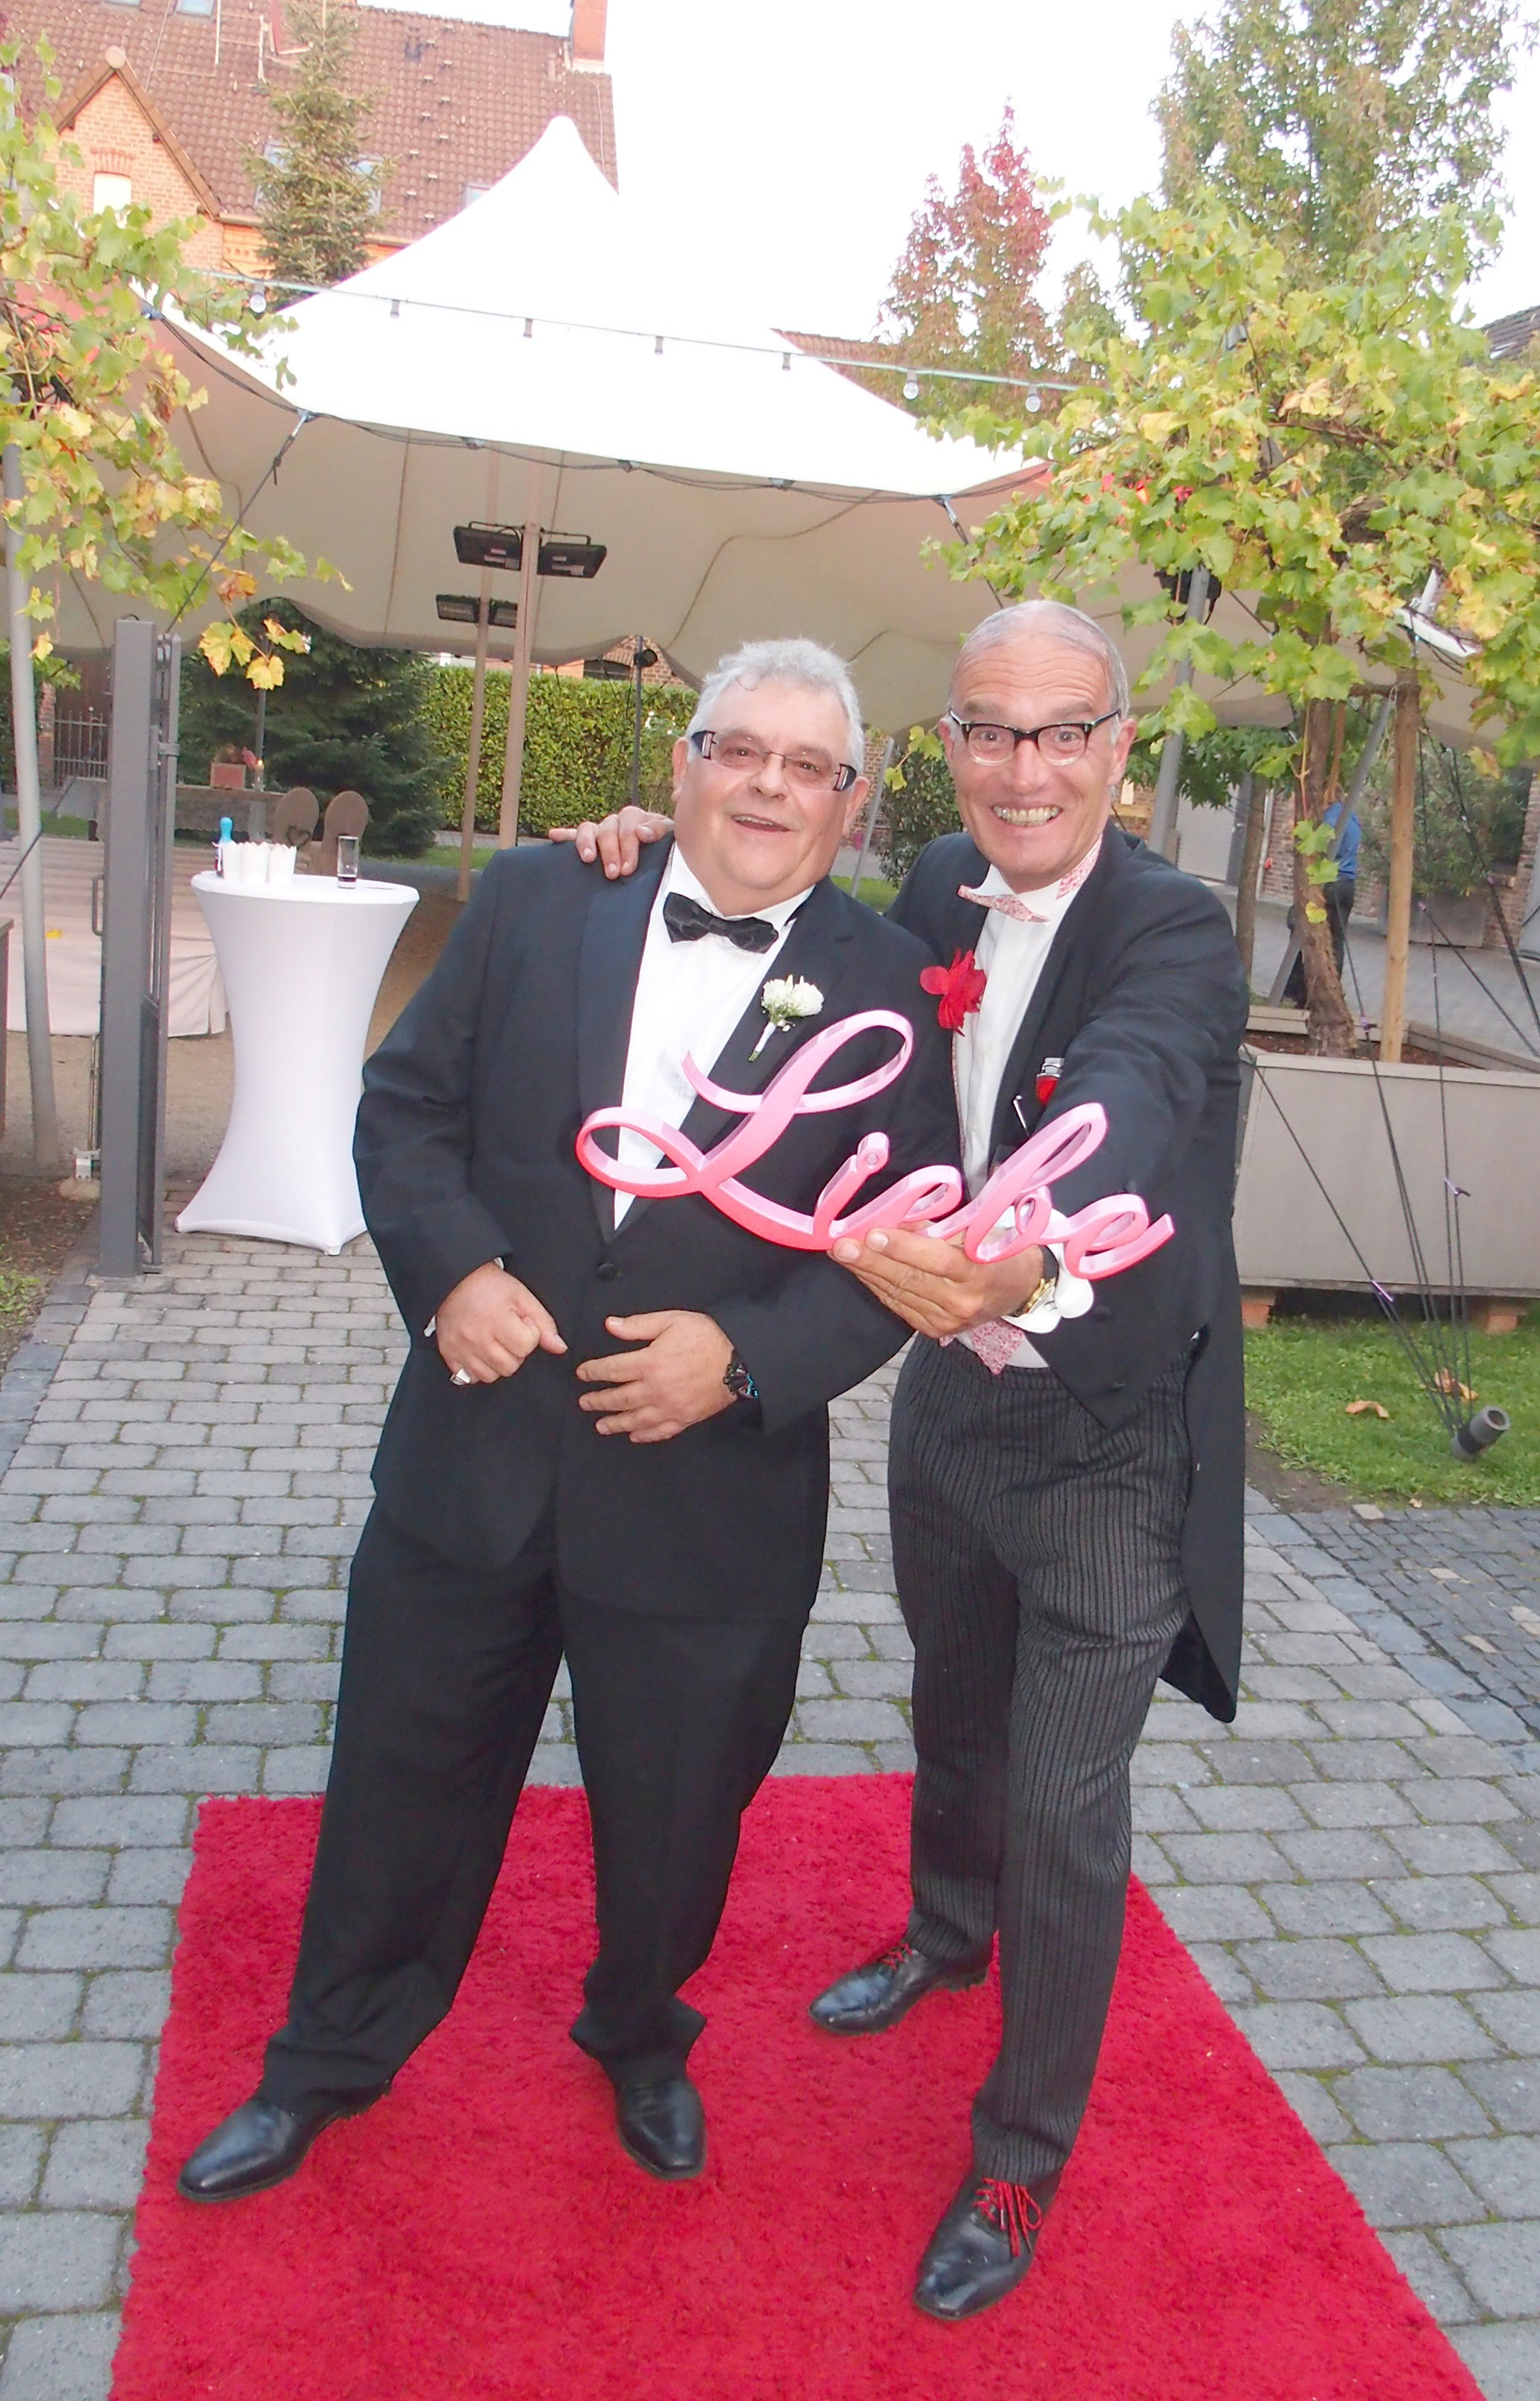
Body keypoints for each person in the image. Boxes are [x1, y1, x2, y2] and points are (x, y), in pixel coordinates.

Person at [176, 638, 957, 2205]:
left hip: (705, 1493)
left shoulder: (889, 983)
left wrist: (744, 1360)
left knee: (677, 1811)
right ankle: (325, 2058)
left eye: (806, 767)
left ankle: (640, 2032)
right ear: (683, 763)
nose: (768, 788)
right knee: (401, 1775)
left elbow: (908, 1244)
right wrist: (453, 1272)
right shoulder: (543, 898)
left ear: (851, 801)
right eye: (740, 751)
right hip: (476, 1452)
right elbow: (405, 1107)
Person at [558, 600, 1250, 2323]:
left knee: (1064, 1811)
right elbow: (792, 899)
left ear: (1118, 748)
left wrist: (1029, 1253)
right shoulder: (940, 881)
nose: (1027, 768)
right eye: (992, 730)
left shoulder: (1174, 927)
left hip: (1108, 1434)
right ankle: (946, 1932)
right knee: (953, 1711)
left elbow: (1136, 1096)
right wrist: (658, 838)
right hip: (948, 1403)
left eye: (1064, 731)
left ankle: (1020, 2157)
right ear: (950, 746)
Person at [1282, 800, 1359, 1003]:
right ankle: (1333, 990)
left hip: (1330, 882)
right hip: (1348, 885)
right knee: (1337, 941)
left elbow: (1323, 848)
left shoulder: (1331, 819)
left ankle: (1297, 989)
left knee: (1302, 927)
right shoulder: (1352, 818)